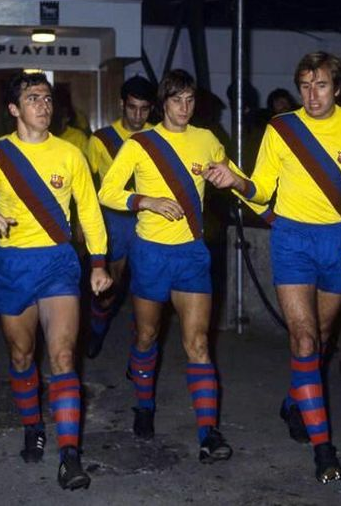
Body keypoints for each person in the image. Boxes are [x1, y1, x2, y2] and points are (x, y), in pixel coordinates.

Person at [202, 52, 341, 483]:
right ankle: (324, 449)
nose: (312, 95)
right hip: (291, 240)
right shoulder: (282, 128)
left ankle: (294, 401)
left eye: (320, 86)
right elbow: (261, 189)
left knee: (319, 341)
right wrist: (236, 181)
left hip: (338, 241)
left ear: (337, 88)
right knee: (303, 341)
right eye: (305, 86)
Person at [0, 71, 112, 491]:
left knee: (63, 357)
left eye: (47, 98)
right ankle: (31, 426)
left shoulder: (70, 154)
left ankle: (70, 456)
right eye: (33, 98)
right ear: (14, 109)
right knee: (23, 357)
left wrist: (99, 263)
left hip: (58, 262)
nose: (43, 105)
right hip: (13, 265)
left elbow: (89, 211)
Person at [98, 69, 234, 464]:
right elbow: (107, 191)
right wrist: (146, 201)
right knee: (146, 335)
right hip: (151, 253)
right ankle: (144, 404)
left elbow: (236, 179)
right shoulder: (140, 144)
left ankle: (208, 432)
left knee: (199, 343)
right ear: (163, 103)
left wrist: (233, 181)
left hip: (191, 253)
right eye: (176, 100)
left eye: (190, 100)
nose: (184, 108)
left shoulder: (206, 139)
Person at [85, 75, 156, 359]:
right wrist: (82, 223)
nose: (138, 115)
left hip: (149, 217)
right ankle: (97, 329)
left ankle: (141, 350)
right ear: (121, 105)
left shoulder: (159, 135)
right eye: (132, 108)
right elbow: (85, 185)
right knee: (109, 286)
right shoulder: (101, 139)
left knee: (146, 288)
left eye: (144, 109)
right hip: (114, 219)